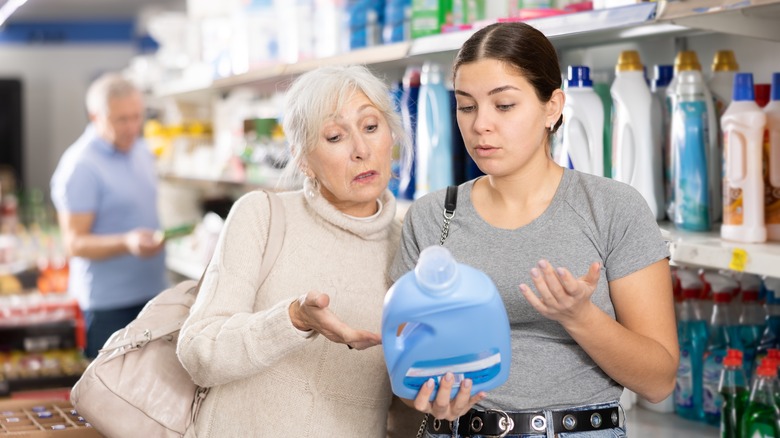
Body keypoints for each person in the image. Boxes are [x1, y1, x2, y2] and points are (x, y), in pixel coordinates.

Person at [390, 22, 679, 437]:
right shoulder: (433, 216)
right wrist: (429, 394)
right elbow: (407, 375)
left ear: (552, 107)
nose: (480, 125)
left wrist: (580, 317)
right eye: (466, 106)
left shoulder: (612, 208)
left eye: (503, 105)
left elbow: (659, 381)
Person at [176, 64, 420, 437]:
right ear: (303, 158)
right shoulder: (263, 215)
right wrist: (292, 319)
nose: (361, 149)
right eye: (335, 136)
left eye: (371, 127)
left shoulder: (409, 250)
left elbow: (401, 412)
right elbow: (198, 352)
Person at [50, 72, 168, 359]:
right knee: (106, 396)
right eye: (121, 120)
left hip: (153, 295)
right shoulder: (81, 166)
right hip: (108, 307)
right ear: (95, 117)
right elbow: (74, 244)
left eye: (137, 117)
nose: (132, 127)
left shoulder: (140, 150)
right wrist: (127, 242)